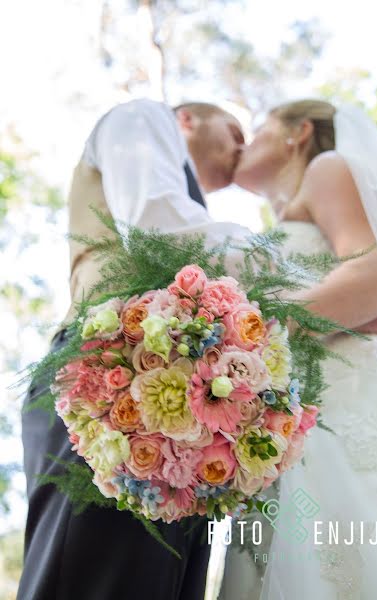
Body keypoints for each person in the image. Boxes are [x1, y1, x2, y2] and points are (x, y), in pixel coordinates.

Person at [17, 98, 249, 600]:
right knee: (92, 578)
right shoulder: (144, 118)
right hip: (102, 386)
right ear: (187, 120)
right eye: (234, 131)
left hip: (177, 419)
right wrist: (297, 266)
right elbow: (158, 227)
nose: (241, 149)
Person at [220, 99, 377, 600]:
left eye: (256, 129)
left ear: (298, 133)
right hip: (290, 421)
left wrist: (248, 343)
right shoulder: (279, 218)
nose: (242, 144)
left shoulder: (327, 168)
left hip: (347, 398)